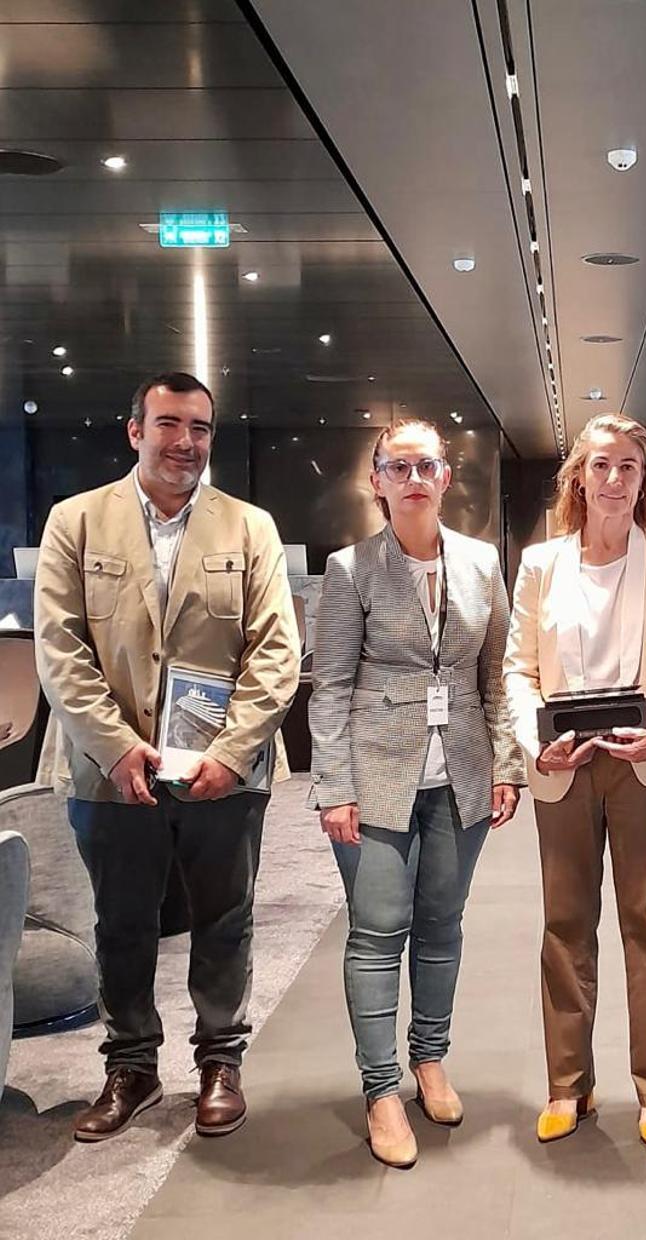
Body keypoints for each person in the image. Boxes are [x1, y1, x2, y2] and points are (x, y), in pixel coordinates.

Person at [34, 372, 300, 1142]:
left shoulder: (248, 526)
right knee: (121, 922)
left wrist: (232, 752)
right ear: (135, 431)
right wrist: (116, 747)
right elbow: (60, 649)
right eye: (169, 424)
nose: (186, 442)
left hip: (224, 772)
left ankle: (220, 1062)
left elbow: (276, 651)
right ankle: (132, 1068)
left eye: (200, 428)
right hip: (109, 774)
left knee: (225, 919)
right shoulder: (76, 522)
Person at [308, 419, 524, 1169]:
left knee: (442, 925)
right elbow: (330, 687)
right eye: (397, 467)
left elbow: (497, 676)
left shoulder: (481, 563)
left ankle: (430, 1059)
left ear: (445, 477)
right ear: (377, 481)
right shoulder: (350, 570)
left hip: (461, 774)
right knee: (377, 932)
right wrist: (333, 787)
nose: (413, 479)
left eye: (425, 465)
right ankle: (380, 1090)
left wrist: (506, 765)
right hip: (374, 777)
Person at [504, 413, 646, 1153]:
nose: (614, 479)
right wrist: (537, 744)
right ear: (579, 479)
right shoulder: (540, 563)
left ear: (644, 478)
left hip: (644, 761)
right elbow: (519, 670)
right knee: (565, 924)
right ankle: (568, 1085)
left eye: (628, 466)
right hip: (564, 764)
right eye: (600, 465)